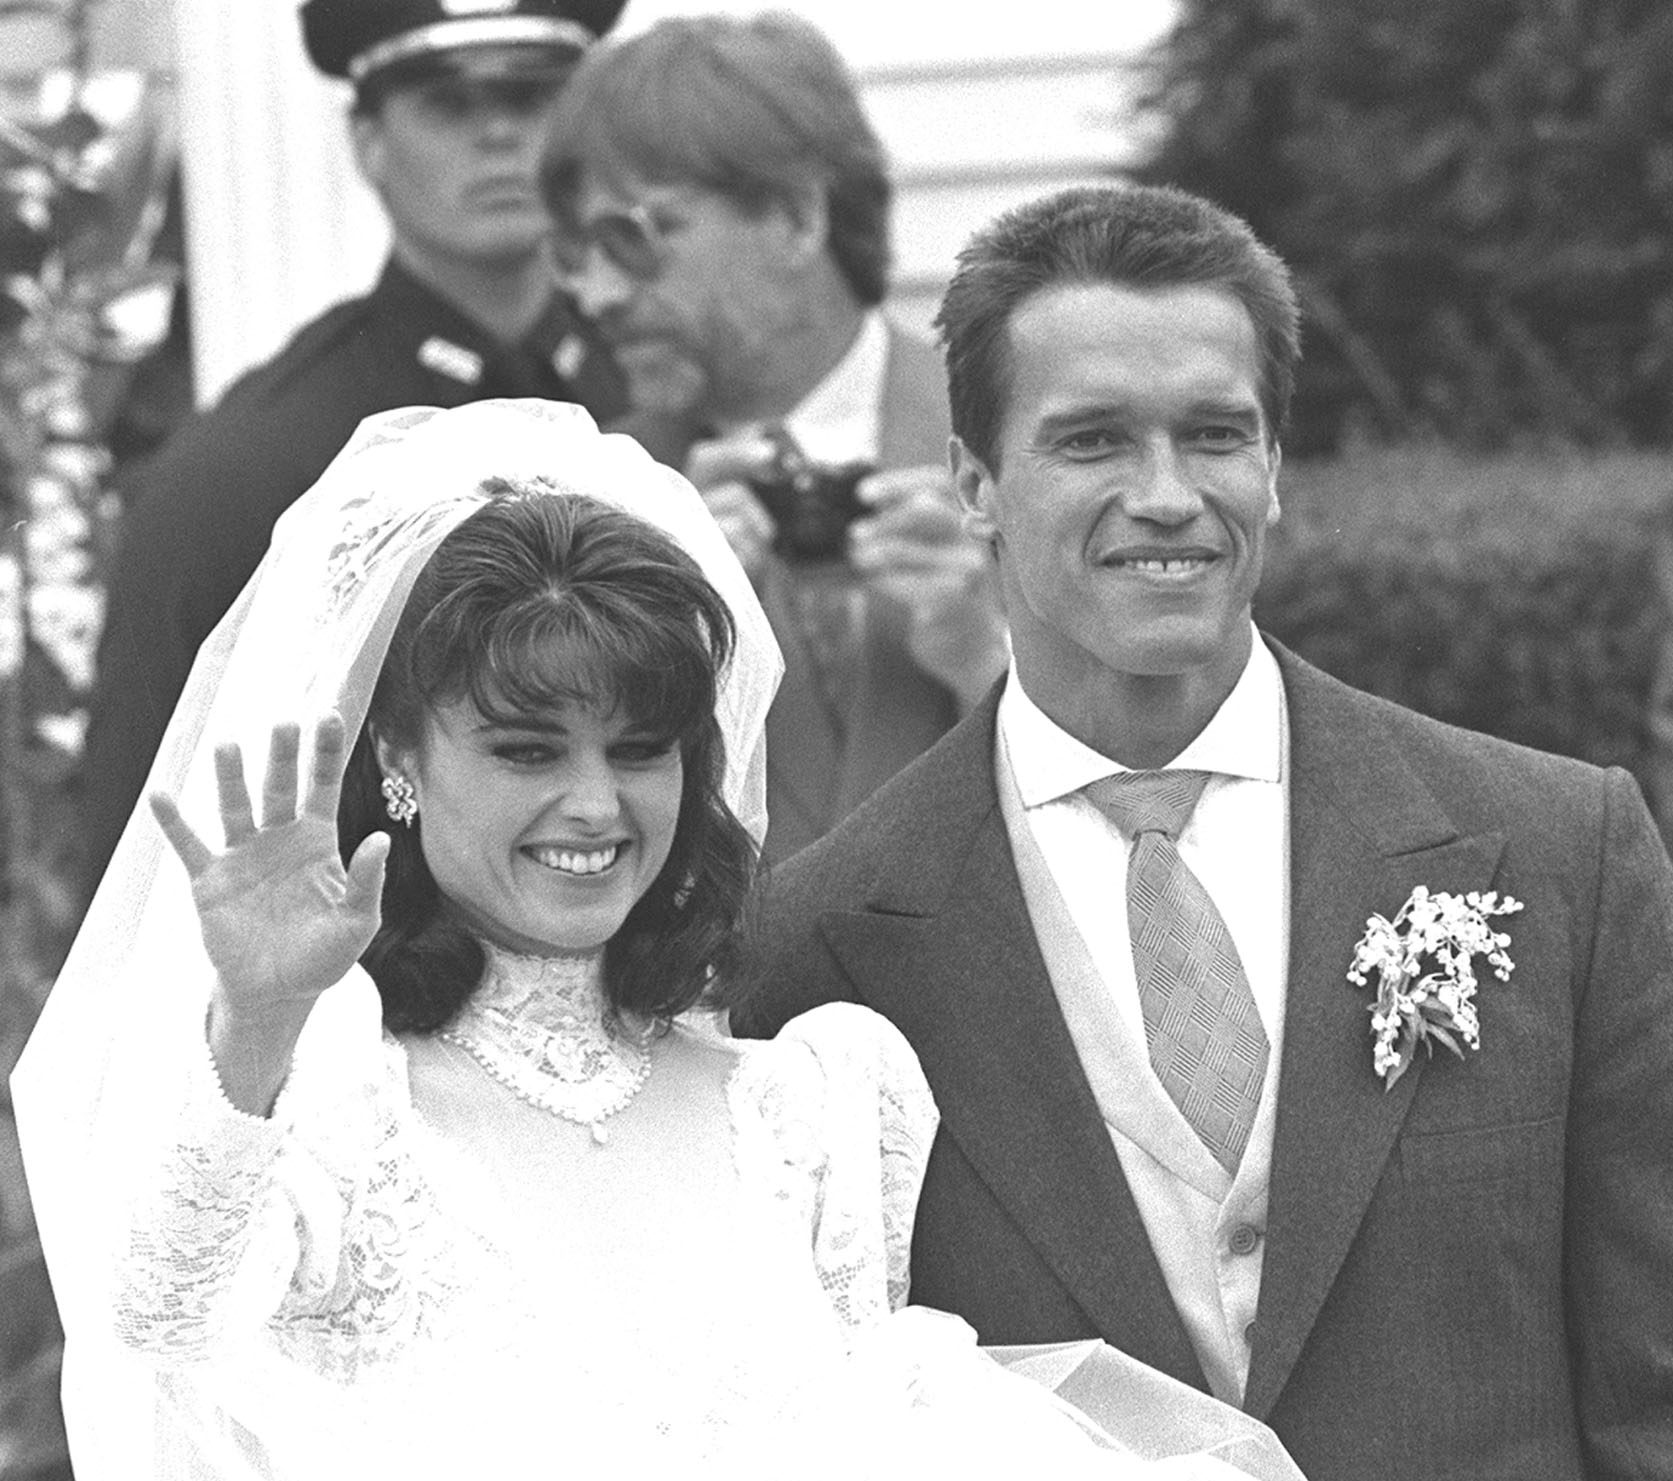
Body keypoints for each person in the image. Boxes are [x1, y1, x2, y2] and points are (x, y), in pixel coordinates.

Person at [13, 401, 1303, 1479]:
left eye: (640, 750)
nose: (593, 804)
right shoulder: (336, 1095)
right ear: (398, 759)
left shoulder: (800, 1107)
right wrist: (256, 1020)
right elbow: (159, 1345)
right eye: (525, 750)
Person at [735, 184, 1673, 1481]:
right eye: (1093, 441)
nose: (1166, 495)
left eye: (1214, 434)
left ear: (1274, 469)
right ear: (972, 484)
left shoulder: (1564, 855)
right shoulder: (817, 946)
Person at [76, 0, 630, 902]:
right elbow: (140, 854)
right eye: (448, 106)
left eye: (532, 99)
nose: (497, 134)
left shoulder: (647, 390)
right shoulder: (259, 461)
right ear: (368, 143)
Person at [540, 13, 1008, 859]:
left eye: (634, 237)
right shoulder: (586, 499)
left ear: (795, 216)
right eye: (577, 253)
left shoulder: (1020, 439)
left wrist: (990, 661)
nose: (598, 295)